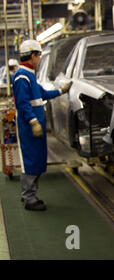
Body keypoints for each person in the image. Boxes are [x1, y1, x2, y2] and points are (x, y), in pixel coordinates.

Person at [13, 40, 72, 211]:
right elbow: (23, 104)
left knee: (37, 158)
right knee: (30, 159)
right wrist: (33, 122)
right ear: (33, 56)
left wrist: (61, 91)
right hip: (28, 126)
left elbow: (42, 94)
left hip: (35, 125)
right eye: (39, 55)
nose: (39, 59)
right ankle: (28, 197)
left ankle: (30, 194)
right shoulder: (22, 77)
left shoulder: (29, 75)